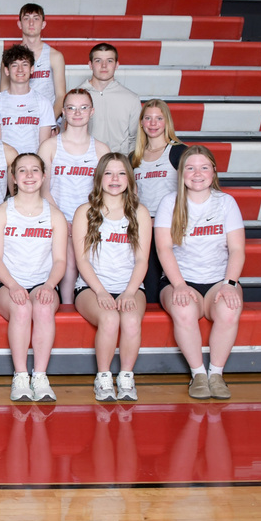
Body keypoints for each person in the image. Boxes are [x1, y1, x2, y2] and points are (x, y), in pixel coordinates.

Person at [155, 146, 245, 401]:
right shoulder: (169, 203)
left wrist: (229, 284)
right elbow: (163, 249)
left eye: (204, 167)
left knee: (229, 309)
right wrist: (180, 285)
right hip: (180, 280)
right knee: (183, 310)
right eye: (190, 168)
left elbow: (237, 249)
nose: (197, 173)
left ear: (213, 171)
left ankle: (216, 374)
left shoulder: (226, 202)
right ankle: (199, 375)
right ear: (181, 173)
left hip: (219, 280)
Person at [0, 153, 67, 402]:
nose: (29, 176)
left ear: (44, 177)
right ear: (13, 177)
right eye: (22, 170)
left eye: (35, 170)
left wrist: (49, 285)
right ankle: (21, 376)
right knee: (22, 308)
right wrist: (12, 285)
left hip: (43, 282)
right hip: (5, 283)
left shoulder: (55, 215)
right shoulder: (1, 212)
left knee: (43, 308)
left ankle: (40, 376)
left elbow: (60, 261)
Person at [72, 154, 151, 402]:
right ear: (99, 178)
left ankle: (126, 376)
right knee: (109, 318)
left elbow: (141, 260)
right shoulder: (85, 211)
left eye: (120, 173)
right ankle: (103, 377)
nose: (114, 179)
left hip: (130, 287)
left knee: (129, 320)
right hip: (91, 288)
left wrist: (129, 292)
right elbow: (82, 260)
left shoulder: (140, 212)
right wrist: (101, 292)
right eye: (108, 173)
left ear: (129, 178)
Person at [38, 88, 110, 304]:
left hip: (91, 220)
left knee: (90, 263)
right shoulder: (50, 146)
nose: (77, 113)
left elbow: (106, 192)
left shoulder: (101, 149)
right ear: (63, 112)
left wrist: (84, 222)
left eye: (83, 108)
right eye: (71, 108)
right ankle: (67, 309)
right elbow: (43, 189)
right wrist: (63, 222)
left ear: (92, 111)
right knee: (68, 263)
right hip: (57, 219)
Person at [130, 99, 188, 302]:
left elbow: (190, 193)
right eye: (148, 118)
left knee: (171, 284)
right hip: (144, 227)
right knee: (148, 282)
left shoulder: (179, 152)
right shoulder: (134, 157)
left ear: (167, 122)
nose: (153, 123)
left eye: (158, 118)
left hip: (171, 227)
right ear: (141, 123)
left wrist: (165, 221)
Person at [2, 3, 66, 118]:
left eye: (36, 18)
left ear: (43, 24)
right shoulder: (9, 57)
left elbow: (61, 96)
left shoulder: (55, 56)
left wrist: (49, 121)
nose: (31, 23)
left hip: (47, 118)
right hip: (17, 118)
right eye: (26, 18)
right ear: (19, 24)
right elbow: (3, 94)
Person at [80, 43, 143, 154]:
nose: (104, 66)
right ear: (90, 65)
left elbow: (135, 138)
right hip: (85, 165)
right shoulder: (76, 97)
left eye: (109, 61)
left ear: (116, 65)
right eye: (98, 60)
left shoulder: (131, 98)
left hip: (119, 164)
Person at [0, 44, 54, 155]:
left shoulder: (43, 102)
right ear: (7, 70)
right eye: (15, 65)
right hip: (6, 164)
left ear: (32, 69)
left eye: (25, 64)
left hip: (34, 165)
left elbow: (44, 145)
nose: (20, 70)